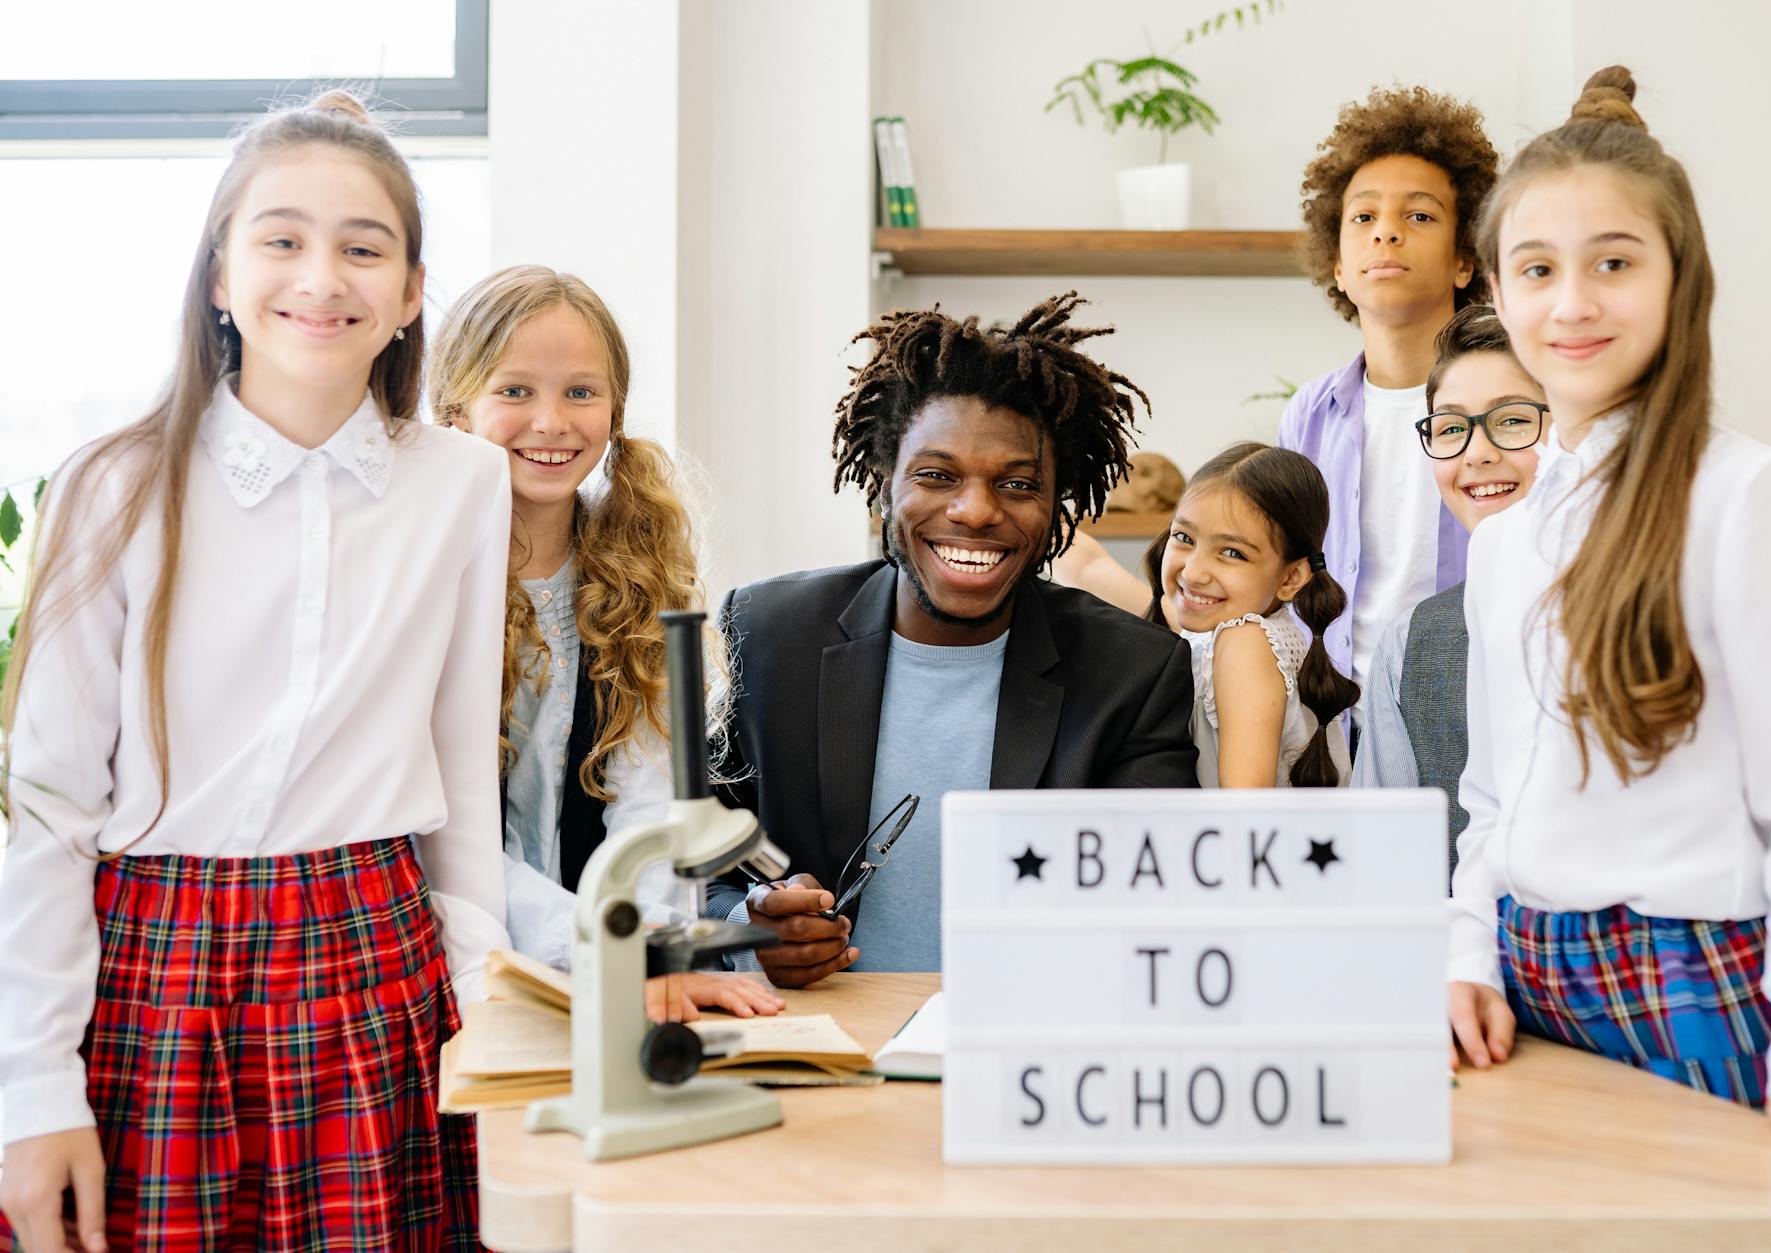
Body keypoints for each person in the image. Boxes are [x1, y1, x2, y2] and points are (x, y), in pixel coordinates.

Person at [0, 92, 501, 1250]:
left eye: (362, 247)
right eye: (280, 238)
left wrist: (488, 1009)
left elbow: (460, 780)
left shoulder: (461, 485)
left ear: (412, 291)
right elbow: (51, 807)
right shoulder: (112, 484)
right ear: (219, 277)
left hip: (375, 960)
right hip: (155, 969)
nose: (321, 276)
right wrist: (31, 1089)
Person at [1445, 68, 1771, 1156]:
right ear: (1495, 291)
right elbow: (1490, 799)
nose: (1572, 303)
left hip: (1685, 985)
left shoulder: (1746, 493)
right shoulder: (1502, 540)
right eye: (1535, 268)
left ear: (1680, 279)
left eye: (1612, 263)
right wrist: (1461, 954)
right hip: (1521, 986)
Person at [706, 293, 1199, 987]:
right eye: (936, 475)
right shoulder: (769, 633)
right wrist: (749, 928)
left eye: (1018, 483)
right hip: (824, 1056)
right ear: (883, 485)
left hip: (1028, 1058)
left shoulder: (1133, 674)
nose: (974, 510)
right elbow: (687, 870)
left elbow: (1161, 909)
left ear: (1058, 504)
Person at [430, 265, 782, 1023]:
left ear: (615, 408)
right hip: (456, 960)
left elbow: (652, 809)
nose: (552, 422)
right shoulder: (426, 578)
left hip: (603, 968)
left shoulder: (639, 579)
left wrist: (650, 959)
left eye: (581, 392)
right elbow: (446, 837)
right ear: (457, 410)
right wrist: (598, 954)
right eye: (515, 391)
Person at [1278, 85, 1502, 699]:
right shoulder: (1310, 415)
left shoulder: (1515, 409)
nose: (1387, 233)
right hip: (1333, 723)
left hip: (1469, 713)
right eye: (1364, 217)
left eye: (1420, 215)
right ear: (1340, 267)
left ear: (1465, 260)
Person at [1351, 306, 1548, 872]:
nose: (1477, 453)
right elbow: (1381, 867)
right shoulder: (1412, 642)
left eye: (1512, 420)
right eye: (1452, 428)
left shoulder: (1658, 603)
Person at [1159, 443, 1356, 787]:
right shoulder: (1232, 628)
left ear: (1290, 578)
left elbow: (1245, 816)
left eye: (1232, 552)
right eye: (1183, 537)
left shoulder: (1245, 641)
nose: (1193, 572)